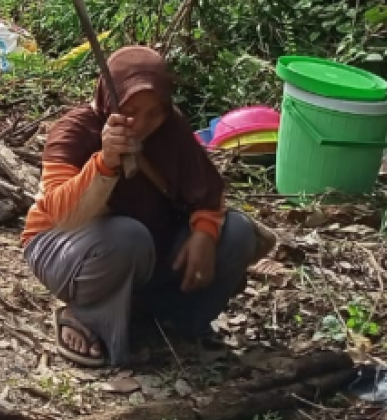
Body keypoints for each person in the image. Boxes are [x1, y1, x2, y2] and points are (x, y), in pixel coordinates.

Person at [21, 46, 276, 367]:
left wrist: (205, 234)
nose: (142, 124)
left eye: (154, 113)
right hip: (68, 247)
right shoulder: (73, 132)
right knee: (127, 236)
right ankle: (87, 317)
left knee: (236, 232)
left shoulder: (171, 129)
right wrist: (105, 163)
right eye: (130, 111)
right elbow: (62, 214)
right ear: (108, 100)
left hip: (152, 248)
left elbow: (206, 191)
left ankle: (171, 322)